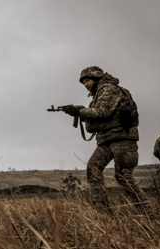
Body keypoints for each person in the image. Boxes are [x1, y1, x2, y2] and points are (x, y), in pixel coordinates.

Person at [63, 66, 149, 211]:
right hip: (106, 139)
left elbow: (103, 112)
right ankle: (101, 209)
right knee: (93, 168)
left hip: (122, 137)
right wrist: (79, 114)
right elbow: (97, 120)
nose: (86, 85)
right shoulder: (97, 95)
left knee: (123, 176)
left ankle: (146, 210)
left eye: (87, 80)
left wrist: (80, 111)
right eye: (83, 82)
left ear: (96, 78)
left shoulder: (108, 88)